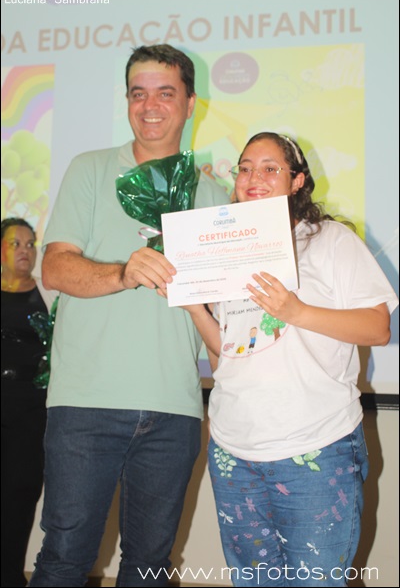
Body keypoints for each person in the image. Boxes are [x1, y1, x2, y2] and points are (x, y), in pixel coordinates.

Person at [28, 44, 229, 587]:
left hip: (174, 408)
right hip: (85, 404)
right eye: (138, 94)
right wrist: (124, 272)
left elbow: (223, 317)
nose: (150, 106)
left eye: (165, 93)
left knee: (149, 568)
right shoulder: (90, 169)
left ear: (191, 103)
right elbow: (55, 268)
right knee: (64, 559)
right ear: (127, 102)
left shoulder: (214, 195)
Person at [171, 132, 398, 587]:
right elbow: (227, 359)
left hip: (316, 447)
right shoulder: (227, 253)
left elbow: (378, 328)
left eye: (270, 168)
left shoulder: (331, 240)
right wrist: (195, 308)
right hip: (234, 451)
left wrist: (296, 311)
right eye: (245, 168)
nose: (253, 177)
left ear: (297, 181)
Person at [1, 217, 58, 588]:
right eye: (15, 243)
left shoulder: (49, 294)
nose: (25, 251)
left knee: (19, 500)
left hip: (30, 415)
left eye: (30, 244)